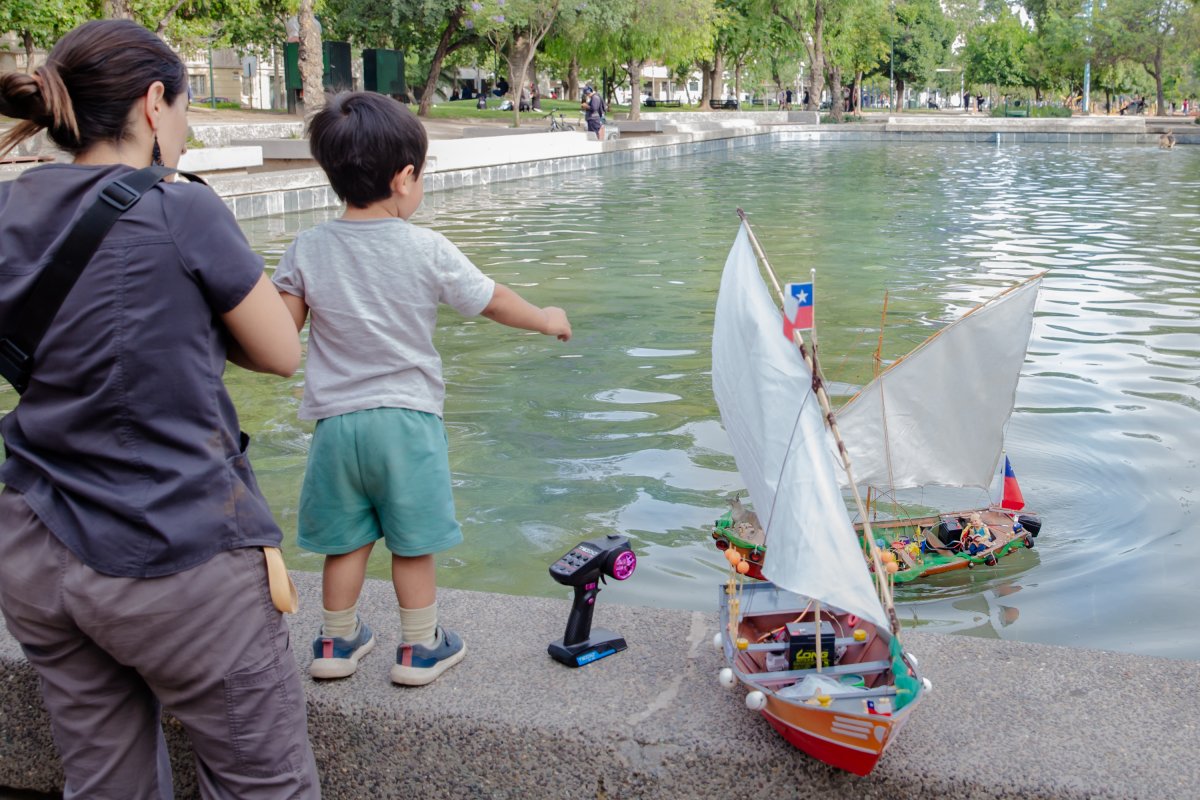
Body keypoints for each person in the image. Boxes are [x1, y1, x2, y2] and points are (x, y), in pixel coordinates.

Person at [0, 19, 318, 798]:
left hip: (33, 545)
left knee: (105, 786)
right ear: (152, 104)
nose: (186, 132)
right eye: (183, 112)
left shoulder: (9, 208)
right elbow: (281, 352)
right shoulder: (182, 209)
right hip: (173, 551)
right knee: (264, 785)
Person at [272, 92, 572, 687]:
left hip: (336, 426)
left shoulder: (307, 247)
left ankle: (335, 641)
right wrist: (546, 317)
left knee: (346, 542)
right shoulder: (426, 247)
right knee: (412, 544)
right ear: (405, 177)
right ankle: (419, 647)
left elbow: (281, 332)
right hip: (406, 424)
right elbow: (492, 301)